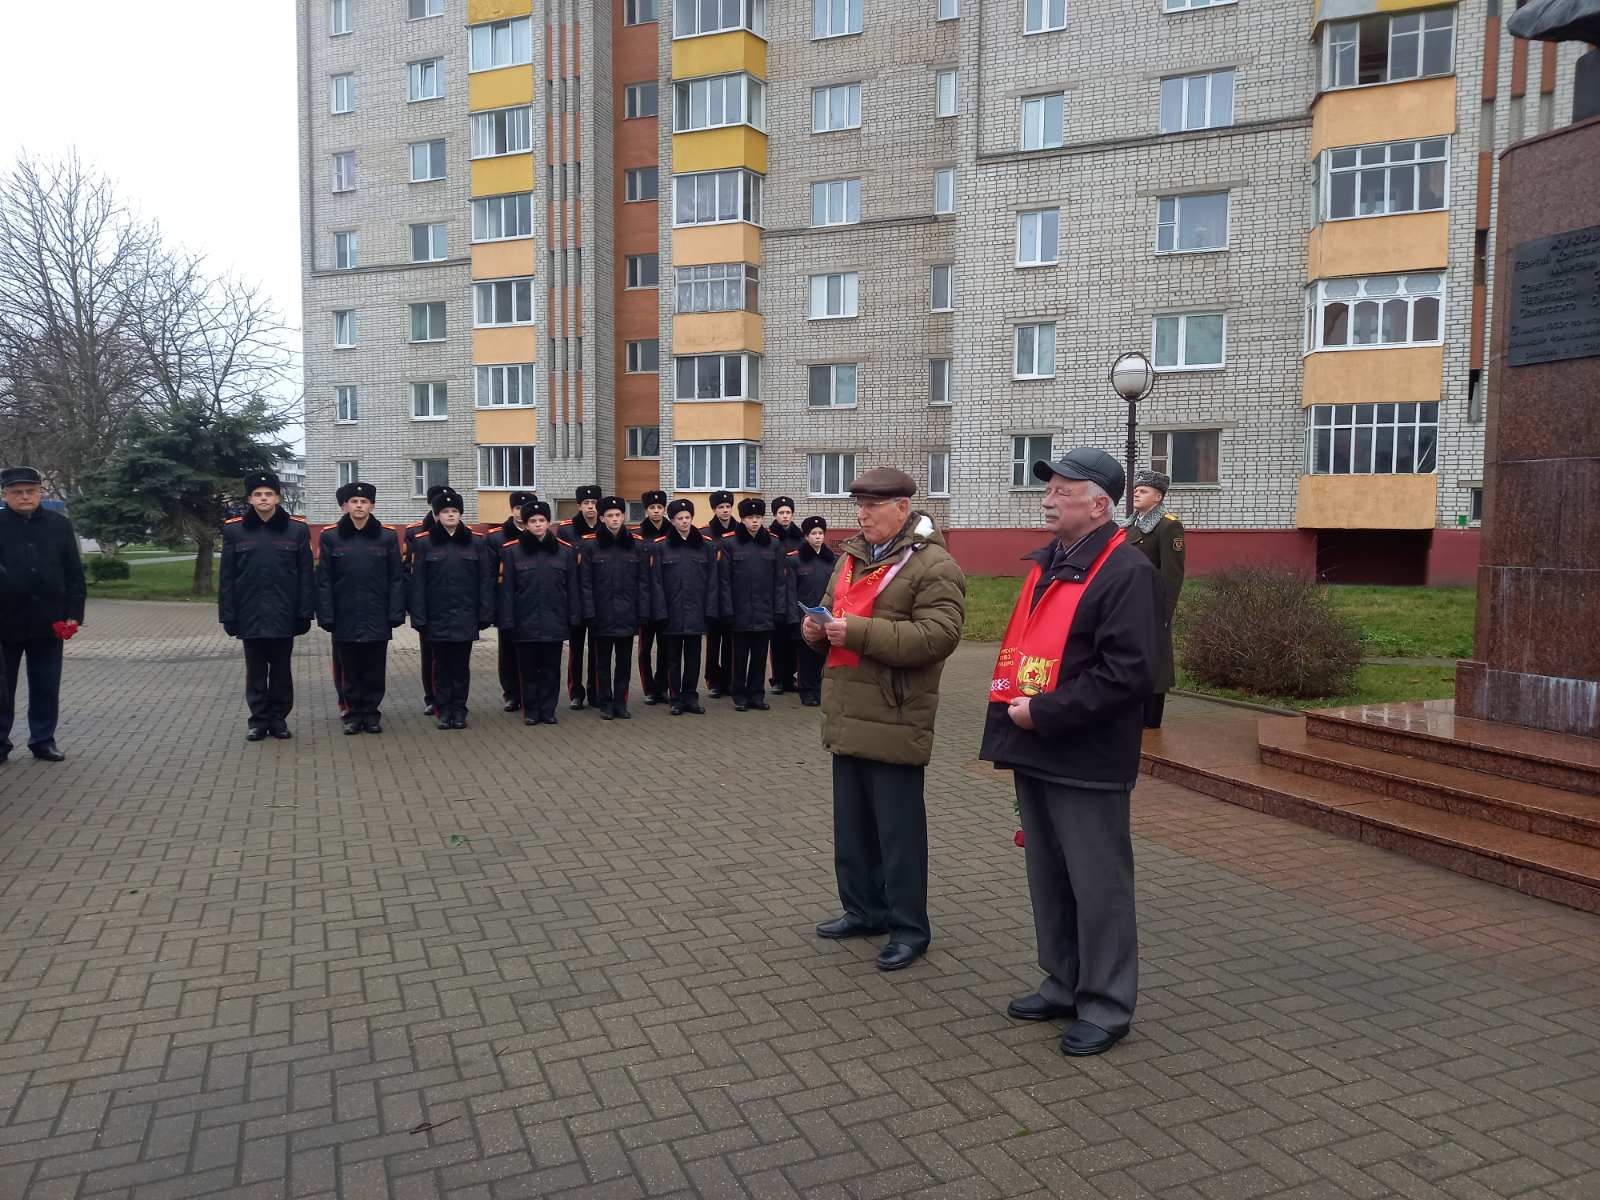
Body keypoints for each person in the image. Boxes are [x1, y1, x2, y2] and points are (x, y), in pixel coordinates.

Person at [979, 448, 1163, 1058]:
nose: (1049, 498)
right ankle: (1063, 983)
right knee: (1049, 877)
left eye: (1063, 489)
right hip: (1036, 746)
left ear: (1100, 505)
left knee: (1097, 884)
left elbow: (1129, 673)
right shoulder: (1052, 563)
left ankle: (1106, 1005)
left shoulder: (1127, 571)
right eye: (1049, 488)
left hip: (1086, 757)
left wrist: (1046, 713)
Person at [802, 467, 965, 971]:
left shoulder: (933, 564)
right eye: (858, 505)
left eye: (872, 506)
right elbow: (831, 610)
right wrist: (814, 629)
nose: (862, 514)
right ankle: (863, 910)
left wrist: (856, 632)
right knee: (852, 829)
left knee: (898, 835)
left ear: (902, 508)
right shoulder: (851, 558)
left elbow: (938, 637)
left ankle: (910, 929)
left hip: (895, 714)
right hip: (848, 710)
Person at [219, 470, 315, 742]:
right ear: (250, 499)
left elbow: (306, 575)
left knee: (282, 671)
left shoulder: (296, 530)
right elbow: (227, 578)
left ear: (278, 498)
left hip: (285, 613)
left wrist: (304, 612)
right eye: (258, 494)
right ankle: (258, 721)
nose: (263, 498)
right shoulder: (235, 530)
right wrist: (228, 615)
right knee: (256, 672)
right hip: (249, 614)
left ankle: (279, 719)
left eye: (269, 494)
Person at [0, 465, 85, 762]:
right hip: (5, 621)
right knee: (2, 688)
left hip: (49, 620)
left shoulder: (58, 525)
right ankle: (0, 742)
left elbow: (74, 572)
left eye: (31, 491)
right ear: (5, 494)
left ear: (40, 492)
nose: (25, 496)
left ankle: (43, 740)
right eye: (17, 492)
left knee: (46, 685)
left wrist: (74, 612)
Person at [316, 481, 405, 734]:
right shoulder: (331, 536)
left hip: (377, 613)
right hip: (345, 614)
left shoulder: (387, 537)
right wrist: (326, 614)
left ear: (372, 506)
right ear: (346, 505)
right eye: (354, 502)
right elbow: (324, 580)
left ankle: (371, 713)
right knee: (350, 668)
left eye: (364, 501)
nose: (358, 505)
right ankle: (353, 714)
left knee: (374, 669)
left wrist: (395, 612)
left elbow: (396, 579)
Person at [408, 488, 495, 729]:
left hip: (465, 615)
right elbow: (418, 584)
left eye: (454, 511)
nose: (450, 515)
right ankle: (443, 710)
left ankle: (459, 710)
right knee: (440, 666)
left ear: (460, 514)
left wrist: (485, 613)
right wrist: (419, 616)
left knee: (460, 666)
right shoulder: (424, 543)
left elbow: (485, 580)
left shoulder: (476, 542)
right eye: (445, 511)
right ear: (437, 515)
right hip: (436, 617)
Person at [499, 500, 589, 726]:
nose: (538, 524)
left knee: (551, 670)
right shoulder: (512, 552)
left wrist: (574, 616)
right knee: (528, 670)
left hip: (554, 620)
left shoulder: (564, 551)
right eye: (533, 521)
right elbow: (507, 590)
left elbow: (572, 588)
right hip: (524, 621)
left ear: (549, 523)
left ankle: (548, 710)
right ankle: (531, 710)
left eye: (542, 520)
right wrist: (507, 620)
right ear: (526, 524)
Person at [583, 496, 660, 720]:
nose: (615, 519)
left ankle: (620, 702)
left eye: (618, 515)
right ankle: (605, 702)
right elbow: (585, 584)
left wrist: (643, 612)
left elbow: (643, 583)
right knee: (602, 663)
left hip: (627, 614)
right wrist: (589, 613)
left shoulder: (637, 545)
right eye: (610, 516)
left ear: (624, 516)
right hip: (602, 615)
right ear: (602, 518)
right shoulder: (591, 546)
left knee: (624, 663)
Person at [1122, 470, 1186, 729]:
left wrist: (1164, 611)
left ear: (1158, 497)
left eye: (1144, 490)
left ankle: (1151, 717)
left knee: (1155, 659)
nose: (1136, 493)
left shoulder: (1168, 526)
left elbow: (1172, 574)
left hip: (1152, 604)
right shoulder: (1130, 525)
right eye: (1136, 489)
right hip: (1128, 602)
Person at [655, 498, 727, 716]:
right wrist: (660, 612)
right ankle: (675, 699)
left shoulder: (706, 546)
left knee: (694, 659)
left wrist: (710, 610)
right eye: (680, 518)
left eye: (687, 517)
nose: (684, 521)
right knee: (673, 660)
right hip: (672, 613)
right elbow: (656, 583)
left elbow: (713, 582)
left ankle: (691, 697)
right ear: (672, 520)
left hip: (697, 612)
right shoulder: (661, 547)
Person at [724, 497, 792, 712]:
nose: (754, 521)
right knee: (739, 657)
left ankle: (756, 694)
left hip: (765, 611)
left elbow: (780, 580)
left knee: (760, 657)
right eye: (750, 517)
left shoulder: (773, 543)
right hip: (740, 611)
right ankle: (739, 695)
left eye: (758, 517)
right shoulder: (730, 543)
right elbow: (724, 581)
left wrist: (779, 609)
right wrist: (727, 610)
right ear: (742, 519)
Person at [485, 489, 537, 712]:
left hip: (532, 603)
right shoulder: (496, 537)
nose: (521, 512)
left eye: (525, 508)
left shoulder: (539, 534)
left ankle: (530, 694)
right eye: (517, 508)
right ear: (512, 509)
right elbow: (489, 574)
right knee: (507, 651)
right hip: (506, 603)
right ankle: (511, 693)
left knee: (531, 652)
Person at [402, 484, 448, 716]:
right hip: (427, 605)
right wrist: (414, 605)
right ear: (431, 504)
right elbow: (408, 570)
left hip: (453, 605)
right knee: (429, 654)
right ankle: (431, 697)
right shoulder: (416, 533)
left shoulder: (462, 533)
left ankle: (449, 698)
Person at [559, 484, 602, 709]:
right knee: (576, 648)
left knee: (597, 648)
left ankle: (595, 691)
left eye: (594, 503)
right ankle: (576, 692)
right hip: (575, 596)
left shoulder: (604, 527)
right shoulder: (567, 530)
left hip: (597, 597)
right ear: (579, 506)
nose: (590, 507)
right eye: (586, 503)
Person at [792, 516, 834, 708]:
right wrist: (794, 617)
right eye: (813, 533)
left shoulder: (831, 560)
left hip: (826, 616)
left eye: (820, 533)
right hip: (805, 617)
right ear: (806, 536)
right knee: (806, 657)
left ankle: (820, 690)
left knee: (822, 657)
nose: (817, 537)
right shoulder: (796, 559)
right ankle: (807, 692)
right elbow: (791, 590)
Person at [633, 489, 670, 705]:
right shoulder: (637, 535)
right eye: (652, 507)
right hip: (645, 598)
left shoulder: (672, 533)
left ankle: (662, 686)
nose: (656, 511)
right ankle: (648, 688)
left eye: (659, 507)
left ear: (664, 509)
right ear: (646, 510)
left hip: (666, 599)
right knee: (645, 648)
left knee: (666, 647)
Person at [701, 489, 738, 697]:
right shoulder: (704, 534)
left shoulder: (740, 532)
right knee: (713, 641)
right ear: (714, 509)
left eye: (728, 506)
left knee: (731, 641)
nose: (725, 510)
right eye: (721, 507)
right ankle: (714, 681)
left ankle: (729, 680)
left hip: (733, 595)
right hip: (712, 595)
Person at [767, 496, 805, 695]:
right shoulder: (768, 537)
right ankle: (778, 679)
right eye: (781, 512)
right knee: (778, 639)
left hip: (795, 593)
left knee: (794, 639)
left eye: (788, 512)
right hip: (775, 593)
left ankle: (791, 677)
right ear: (775, 514)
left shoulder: (800, 538)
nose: (785, 516)